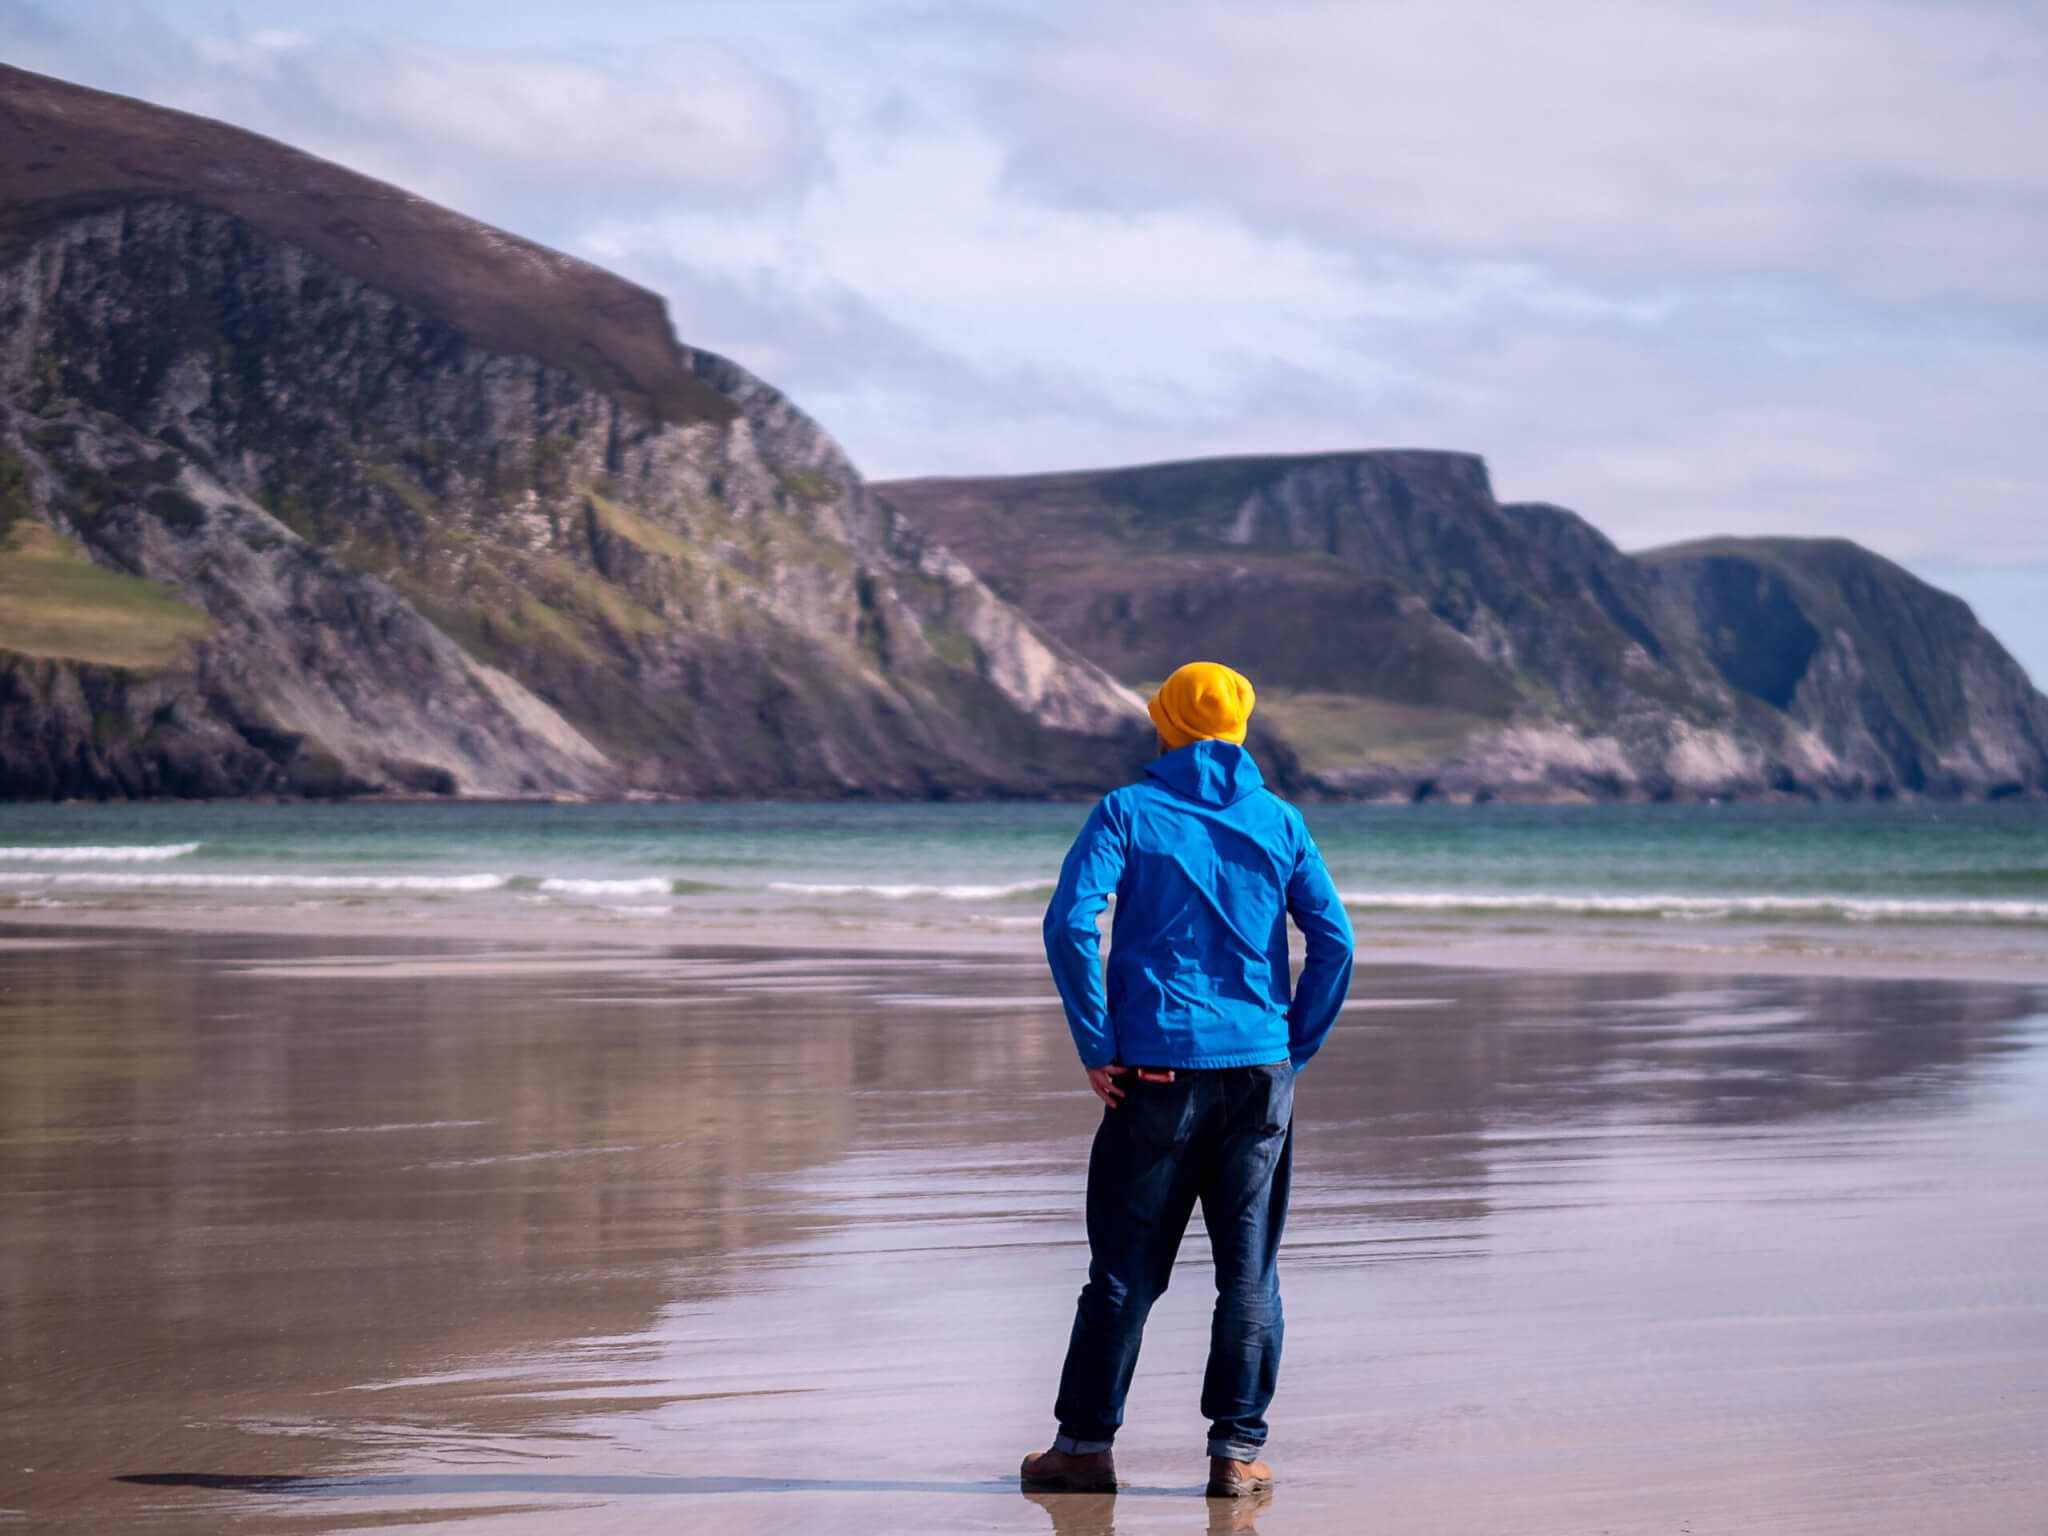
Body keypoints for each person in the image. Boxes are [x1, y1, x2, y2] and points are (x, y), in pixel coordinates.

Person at [1021, 661, 1355, 1500]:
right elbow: (1337, 943)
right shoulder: (1280, 821)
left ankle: (1084, 1450)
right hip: (1256, 1073)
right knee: (1249, 1272)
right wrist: (1291, 1048)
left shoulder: (1127, 811)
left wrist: (1096, 1040)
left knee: (1125, 1272)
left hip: (1155, 1071)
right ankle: (1234, 1456)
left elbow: (1071, 925)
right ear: (1241, 727)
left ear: (1164, 723)